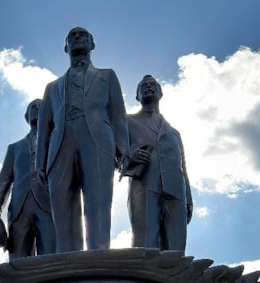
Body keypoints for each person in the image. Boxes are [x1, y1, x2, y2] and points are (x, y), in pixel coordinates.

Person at [36, 27, 129, 252]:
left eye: (83, 35)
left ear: (92, 45)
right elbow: (44, 128)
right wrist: (40, 162)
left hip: (97, 139)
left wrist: (124, 149)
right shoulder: (52, 88)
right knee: (62, 207)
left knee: (98, 201)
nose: (77, 38)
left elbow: (118, 114)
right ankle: (67, 260)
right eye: (72, 36)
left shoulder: (107, 76)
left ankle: (99, 255)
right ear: (66, 47)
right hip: (61, 144)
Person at [121, 75, 193, 250]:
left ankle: (175, 276)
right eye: (143, 85)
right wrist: (129, 155)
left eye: (153, 85)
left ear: (161, 93)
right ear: (137, 96)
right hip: (145, 186)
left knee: (177, 247)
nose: (148, 87)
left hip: (176, 189)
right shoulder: (127, 122)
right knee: (145, 244)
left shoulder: (174, 133)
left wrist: (188, 199)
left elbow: (183, 167)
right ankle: (142, 276)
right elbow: (115, 152)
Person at [0, 99, 55, 259]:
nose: (36, 109)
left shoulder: (57, 142)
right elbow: (4, 181)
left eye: (40, 107)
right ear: (27, 115)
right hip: (19, 208)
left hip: (48, 205)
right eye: (32, 107)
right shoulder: (15, 148)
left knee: (50, 257)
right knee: (18, 258)